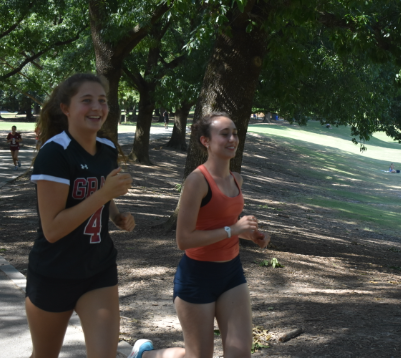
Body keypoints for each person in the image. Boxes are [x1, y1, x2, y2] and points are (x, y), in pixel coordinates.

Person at [132, 112, 271, 358]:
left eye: (235, 133)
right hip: (197, 277)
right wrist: (233, 229)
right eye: (224, 134)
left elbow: (224, 226)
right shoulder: (197, 181)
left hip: (231, 275)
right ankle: (144, 355)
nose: (232, 139)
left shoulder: (236, 179)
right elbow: (183, 240)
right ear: (205, 141)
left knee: (240, 354)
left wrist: (249, 235)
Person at [26, 73, 136, 358]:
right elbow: (52, 229)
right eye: (86, 100)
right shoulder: (54, 154)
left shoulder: (107, 149)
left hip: (97, 269)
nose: (97, 107)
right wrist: (102, 194)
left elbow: (102, 199)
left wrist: (115, 215)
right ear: (66, 108)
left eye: (102, 100)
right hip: (53, 273)